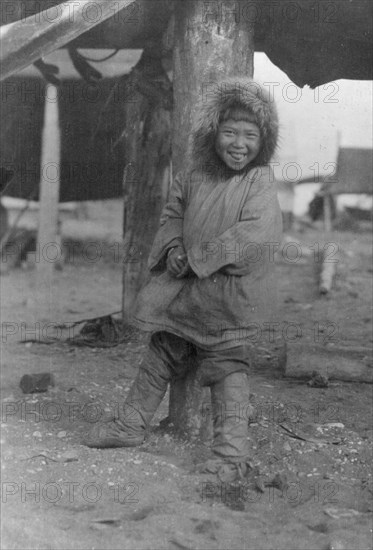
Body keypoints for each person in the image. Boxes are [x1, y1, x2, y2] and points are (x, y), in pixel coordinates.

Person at [85, 78, 282, 480]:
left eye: (250, 135)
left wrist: (197, 259)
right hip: (186, 293)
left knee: (227, 366)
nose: (238, 143)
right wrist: (175, 248)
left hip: (228, 295)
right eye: (229, 132)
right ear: (213, 134)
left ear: (264, 141)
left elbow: (254, 235)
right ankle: (129, 425)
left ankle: (230, 455)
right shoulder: (192, 176)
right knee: (160, 353)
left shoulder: (259, 182)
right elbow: (172, 215)